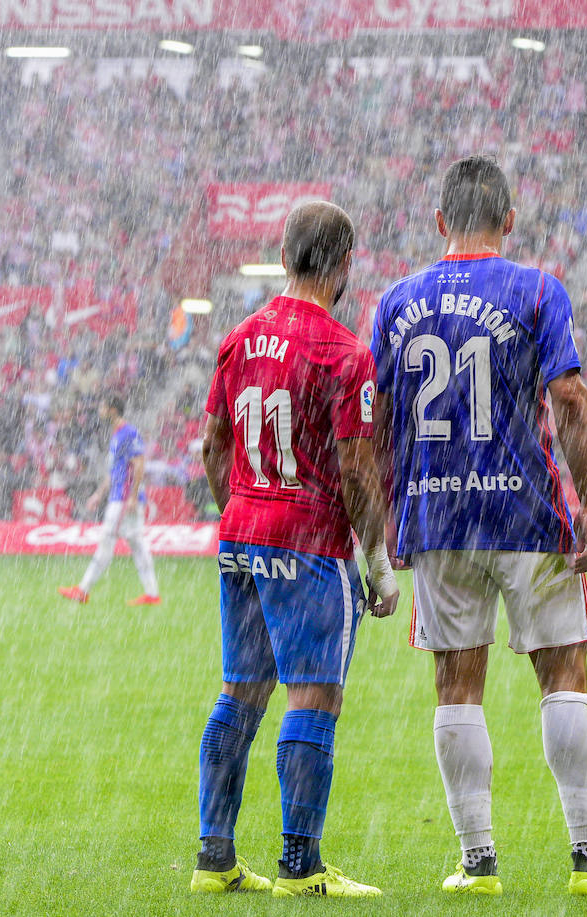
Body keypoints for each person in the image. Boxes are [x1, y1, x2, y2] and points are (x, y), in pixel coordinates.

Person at [370, 155, 587, 897]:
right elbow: (570, 396)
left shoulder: (396, 302)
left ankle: (477, 860)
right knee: (563, 671)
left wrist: (390, 509)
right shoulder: (534, 289)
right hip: (525, 512)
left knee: (456, 685)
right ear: (510, 220)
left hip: (438, 515)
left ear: (439, 223)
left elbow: (380, 419)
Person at [190, 201, 399, 898]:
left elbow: (212, 447)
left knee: (240, 693)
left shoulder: (239, 338)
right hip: (307, 537)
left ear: (283, 258)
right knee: (315, 693)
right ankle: (299, 865)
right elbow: (356, 467)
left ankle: (214, 858)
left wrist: (243, 515)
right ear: (344, 266)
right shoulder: (342, 352)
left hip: (242, 532)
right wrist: (377, 560)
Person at [58, 395, 160, 605]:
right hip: (118, 496)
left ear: (113, 410)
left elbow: (139, 464)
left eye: (103, 407)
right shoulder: (116, 435)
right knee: (137, 544)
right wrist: (98, 494)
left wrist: (132, 496)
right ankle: (152, 594)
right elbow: (115, 471)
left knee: (108, 542)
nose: (100, 411)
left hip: (123, 499)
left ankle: (83, 590)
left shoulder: (128, 433)